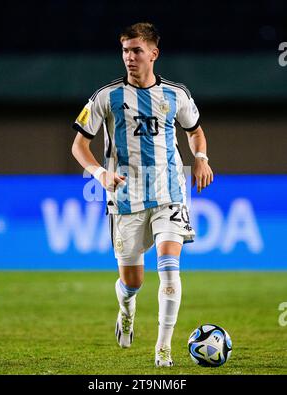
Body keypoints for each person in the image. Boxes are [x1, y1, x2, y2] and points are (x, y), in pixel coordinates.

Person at [71, 22, 213, 367]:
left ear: (153, 53)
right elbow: (79, 145)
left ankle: (163, 347)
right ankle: (127, 309)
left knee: (169, 269)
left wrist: (201, 158)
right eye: (125, 51)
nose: (129, 57)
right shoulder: (106, 96)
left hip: (170, 193)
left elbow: (195, 132)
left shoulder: (176, 95)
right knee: (132, 281)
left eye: (136, 50)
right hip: (125, 199)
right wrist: (100, 172)